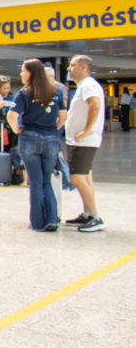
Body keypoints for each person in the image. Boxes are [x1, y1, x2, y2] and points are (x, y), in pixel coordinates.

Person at [7, 59, 67, 232]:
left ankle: (38, 223)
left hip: (30, 139)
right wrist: (53, 130)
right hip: (51, 140)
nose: (21, 74)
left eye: (23, 71)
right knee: (46, 181)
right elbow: (63, 116)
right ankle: (52, 219)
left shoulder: (25, 93)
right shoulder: (56, 91)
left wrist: (18, 130)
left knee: (35, 181)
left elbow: (12, 116)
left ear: (32, 73)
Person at [63, 55, 106, 232]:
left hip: (84, 141)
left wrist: (87, 130)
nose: (68, 69)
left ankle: (95, 216)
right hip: (81, 141)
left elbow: (94, 105)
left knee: (77, 178)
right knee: (86, 177)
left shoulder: (88, 85)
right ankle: (88, 213)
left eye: (72, 65)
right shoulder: (84, 85)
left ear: (83, 67)